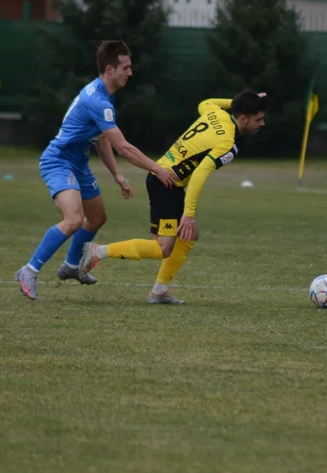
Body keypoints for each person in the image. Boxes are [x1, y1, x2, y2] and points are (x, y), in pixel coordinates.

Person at [15, 40, 178, 301]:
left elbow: (102, 138)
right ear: (110, 69)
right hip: (58, 161)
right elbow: (123, 147)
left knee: (98, 217)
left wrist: (116, 174)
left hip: (78, 163)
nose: (130, 73)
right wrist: (157, 169)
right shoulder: (98, 101)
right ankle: (29, 270)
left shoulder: (104, 95)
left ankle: (70, 266)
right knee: (74, 219)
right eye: (126, 67)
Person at [79, 90, 269, 304]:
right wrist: (189, 214)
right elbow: (199, 175)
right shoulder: (228, 143)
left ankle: (159, 292)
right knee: (163, 248)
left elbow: (204, 102)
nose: (262, 123)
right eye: (258, 119)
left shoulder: (215, 112)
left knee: (189, 236)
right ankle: (98, 251)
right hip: (165, 183)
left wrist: (238, 103)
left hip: (168, 182)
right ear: (242, 118)